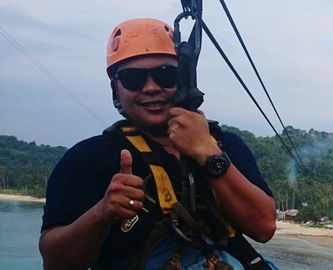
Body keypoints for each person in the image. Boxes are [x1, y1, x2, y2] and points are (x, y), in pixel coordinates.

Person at [39, 18, 277, 269]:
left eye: (166, 75)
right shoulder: (89, 158)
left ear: (183, 78)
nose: (151, 88)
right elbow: (55, 263)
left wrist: (208, 153)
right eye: (133, 79)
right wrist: (101, 214)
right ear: (116, 87)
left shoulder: (225, 144)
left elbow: (263, 227)